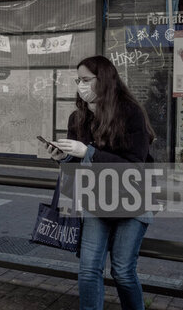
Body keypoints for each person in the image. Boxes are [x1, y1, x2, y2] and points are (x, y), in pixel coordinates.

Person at [45, 55, 155, 310]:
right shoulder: (78, 117)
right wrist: (62, 159)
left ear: (103, 79)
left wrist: (89, 153)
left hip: (133, 199)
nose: (80, 86)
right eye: (78, 80)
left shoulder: (130, 112)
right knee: (88, 270)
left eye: (85, 80)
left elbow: (135, 165)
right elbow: (76, 170)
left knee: (123, 271)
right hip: (96, 200)